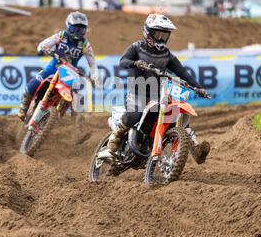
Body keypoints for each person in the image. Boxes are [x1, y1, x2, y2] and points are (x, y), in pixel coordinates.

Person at [100, 14, 211, 165]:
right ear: (148, 32)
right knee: (136, 114)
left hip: (157, 95)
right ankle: (111, 147)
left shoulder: (167, 55)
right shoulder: (136, 47)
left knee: (175, 114)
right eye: (157, 34)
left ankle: (195, 150)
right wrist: (136, 63)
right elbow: (123, 61)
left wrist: (199, 88)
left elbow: (183, 73)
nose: (161, 38)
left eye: (164, 35)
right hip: (137, 92)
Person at [18, 11, 99, 121]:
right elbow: (45, 43)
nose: (77, 32)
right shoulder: (61, 36)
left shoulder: (85, 44)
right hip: (53, 68)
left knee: (76, 98)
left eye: (81, 29)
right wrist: (42, 48)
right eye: (74, 28)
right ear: (68, 26)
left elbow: (92, 62)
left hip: (70, 74)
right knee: (34, 83)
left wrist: (94, 77)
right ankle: (23, 109)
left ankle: (73, 125)